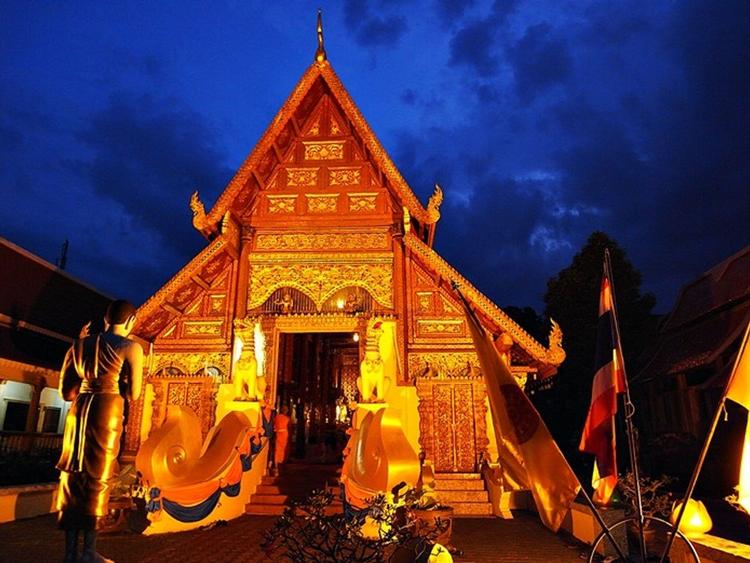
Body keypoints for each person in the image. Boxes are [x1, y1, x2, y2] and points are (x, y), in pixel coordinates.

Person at [57, 300, 144, 563]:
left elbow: (66, 392)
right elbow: (133, 393)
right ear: (131, 322)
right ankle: (88, 551)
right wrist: (121, 379)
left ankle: (70, 552)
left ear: (105, 320)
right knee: (98, 476)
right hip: (107, 409)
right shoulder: (131, 347)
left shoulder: (79, 344)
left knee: (73, 474)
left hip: (79, 410)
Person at [273, 405, 291, 473]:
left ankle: (276, 466)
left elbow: (274, 426)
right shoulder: (287, 419)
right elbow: (289, 428)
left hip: (278, 434)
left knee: (277, 450)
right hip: (284, 434)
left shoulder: (277, 417)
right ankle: (283, 465)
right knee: (284, 450)